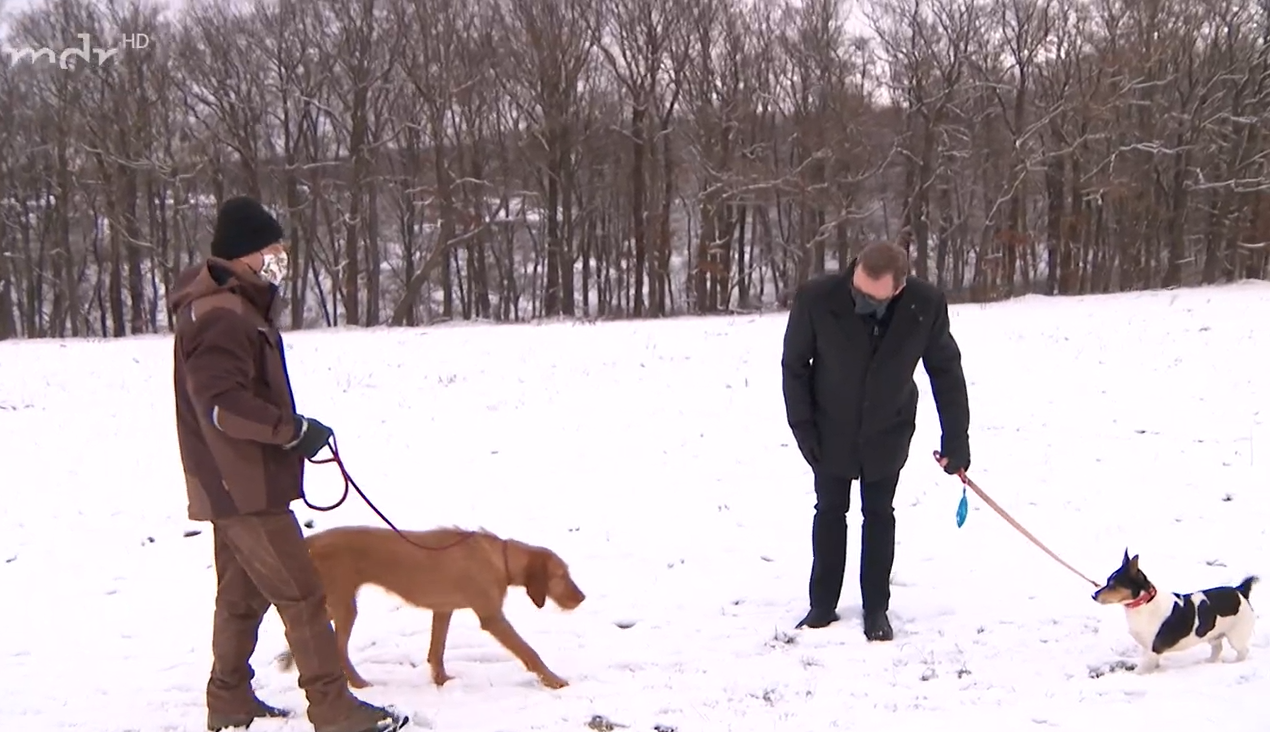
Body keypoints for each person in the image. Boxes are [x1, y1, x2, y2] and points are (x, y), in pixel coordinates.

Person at [168, 196, 410, 732]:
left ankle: (228, 699)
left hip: (231, 482)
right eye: (273, 249)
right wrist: (292, 431)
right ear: (245, 255)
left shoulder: (228, 306)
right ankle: (333, 707)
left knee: (240, 597)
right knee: (302, 595)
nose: (281, 258)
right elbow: (223, 406)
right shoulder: (223, 315)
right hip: (245, 486)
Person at [780, 234, 970, 641]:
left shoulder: (926, 305)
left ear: (898, 289)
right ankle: (822, 605)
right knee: (829, 511)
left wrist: (956, 440)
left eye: (874, 300)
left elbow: (946, 372)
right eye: (859, 293)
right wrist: (803, 429)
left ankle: (876, 609)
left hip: (889, 428)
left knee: (879, 514)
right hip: (828, 429)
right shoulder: (817, 298)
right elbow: (794, 365)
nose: (862, 303)